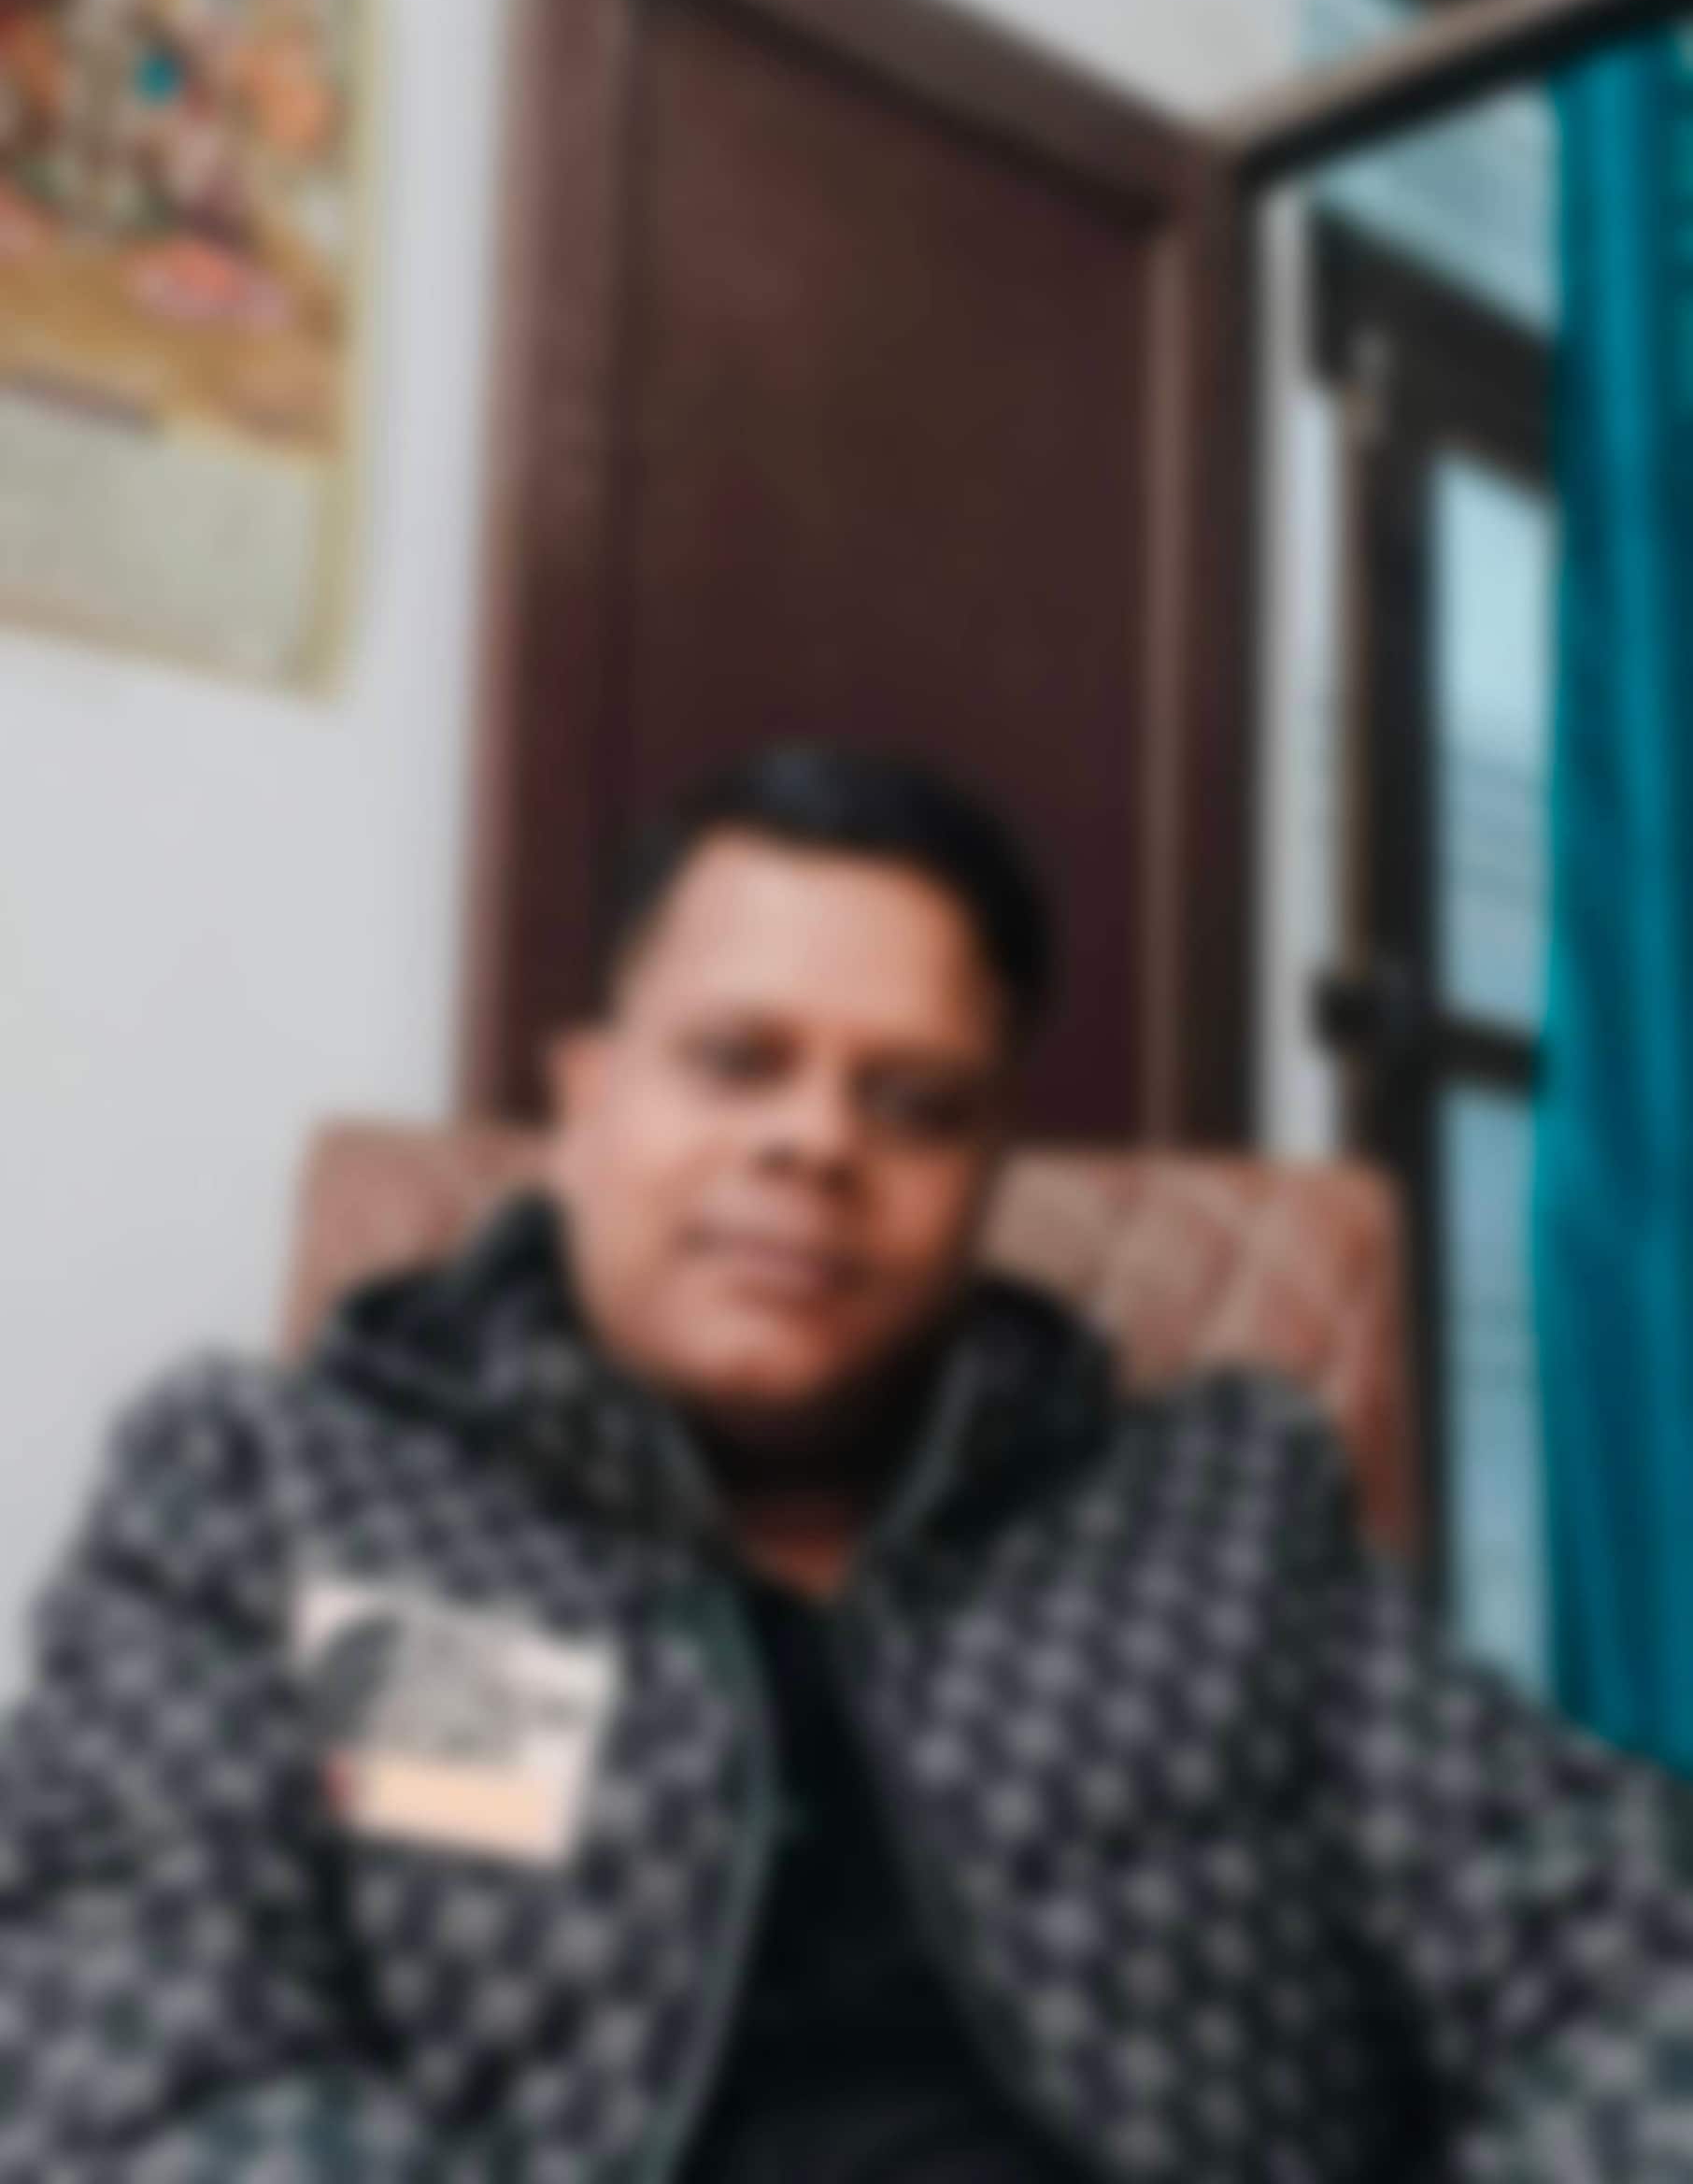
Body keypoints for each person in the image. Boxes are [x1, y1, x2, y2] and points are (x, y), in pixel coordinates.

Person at [3, 744, 1693, 2184]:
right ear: (585, 1100)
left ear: (987, 1171)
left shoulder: (1224, 1508)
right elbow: (127, 2043)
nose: (815, 1140)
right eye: (737, 1061)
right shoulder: (268, 1488)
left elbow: (1620, 1947)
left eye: (915, 1102)